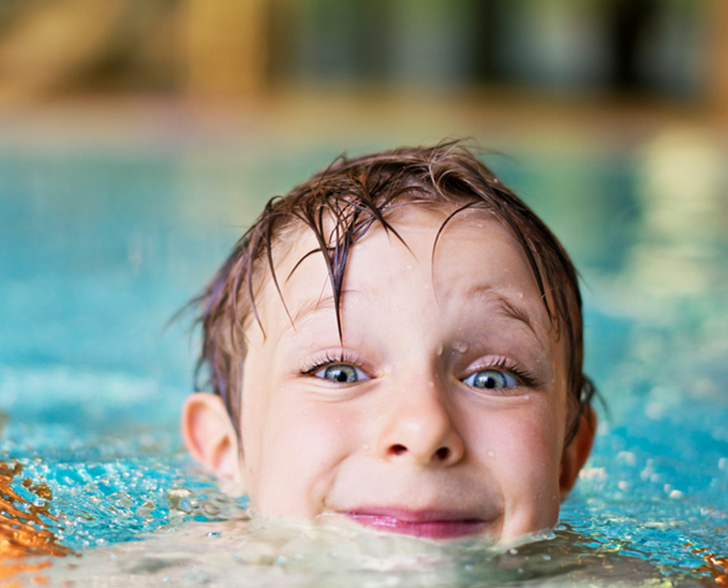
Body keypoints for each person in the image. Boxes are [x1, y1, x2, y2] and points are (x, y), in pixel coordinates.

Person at [181, 141, 596, 541]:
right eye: (339, 373)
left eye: (492, 379)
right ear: (225, 447)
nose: (424, 431)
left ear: (568, 456)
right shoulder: (172, 581)